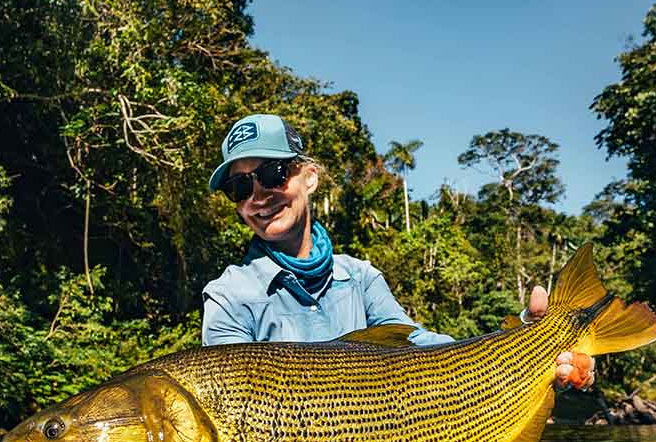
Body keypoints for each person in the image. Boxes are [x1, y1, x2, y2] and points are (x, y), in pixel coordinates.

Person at [201, 113, 593, 389]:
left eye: (272, 174)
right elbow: (235, 403)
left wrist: (527, 338)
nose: (257, 197)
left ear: (310, 177)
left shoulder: (362, 279)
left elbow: (422, 350)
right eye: (239, 187)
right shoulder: (230, 297)